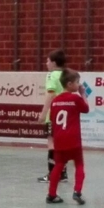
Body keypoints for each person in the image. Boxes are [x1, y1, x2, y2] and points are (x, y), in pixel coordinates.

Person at [46, 69, 89, 205]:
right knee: (79, 164)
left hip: (59, 139)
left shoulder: (55, 101)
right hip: (73, 139)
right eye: (77, 82)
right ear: (70, 84)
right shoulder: (75, 98)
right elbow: (86, 109)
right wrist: (83, 94)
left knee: (58, 165)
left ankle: (51, 194)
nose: (79, 84)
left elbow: (52, 119)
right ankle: (77, 191)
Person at [37, 50, 69, 183]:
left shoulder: (52, 75)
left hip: (54, 114)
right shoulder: (67, 74)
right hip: (66, 114)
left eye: (48, 61)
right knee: (62, 144)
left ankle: (53, 174)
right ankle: (63, 173)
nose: (46, 63)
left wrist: (43, 114)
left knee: (52, 143)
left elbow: (50, 94)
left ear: (54, 63)